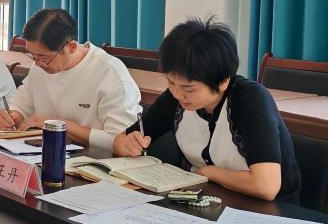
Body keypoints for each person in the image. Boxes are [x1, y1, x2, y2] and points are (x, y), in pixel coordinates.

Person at [112, 17, 301, 203]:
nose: (177, 94)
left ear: (223, 81)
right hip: (205, 200)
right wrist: (126, 144)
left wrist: (210, 173)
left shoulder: (250, 99)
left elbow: (265, 186)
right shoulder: (176, 96)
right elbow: (123, 139)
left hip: (266, 210)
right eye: (170, 82)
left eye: (189, 89)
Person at [0, 8, 141, 151]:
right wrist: (12, 117)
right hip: (44, 152)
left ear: (71, 46)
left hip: (94, 159)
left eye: (43, 57)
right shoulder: (40, 66)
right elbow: (20, 107)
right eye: (32, 55)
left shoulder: (110, 74)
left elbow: (121, 140)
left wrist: (57, 125)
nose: (37, 63)